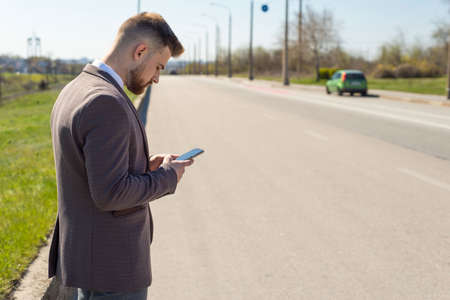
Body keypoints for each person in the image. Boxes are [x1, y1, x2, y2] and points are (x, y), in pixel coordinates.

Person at [48, 12, 193, 299]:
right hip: (111, 269)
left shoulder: (76, 88)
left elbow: (88, 169)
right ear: (140, 51)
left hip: (90, 261)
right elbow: (111, 193)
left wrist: (140, 167)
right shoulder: (106, 101)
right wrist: (167, 177)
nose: (157, 78)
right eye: (158, 67)